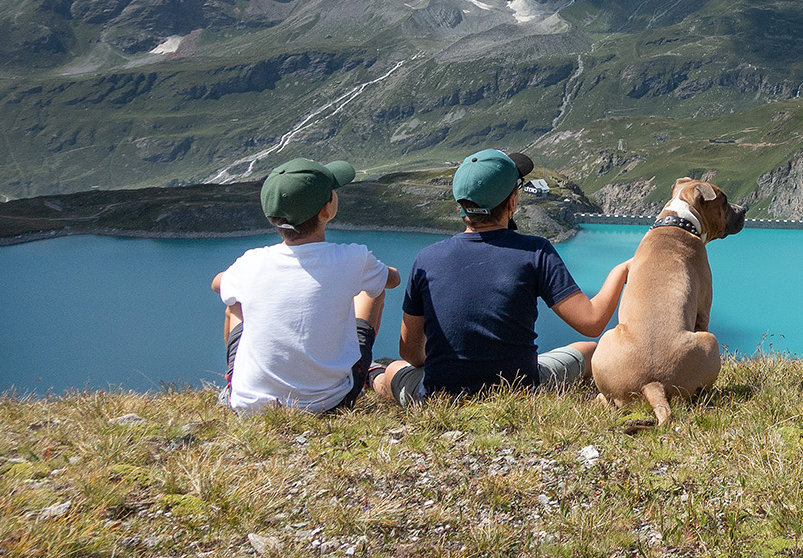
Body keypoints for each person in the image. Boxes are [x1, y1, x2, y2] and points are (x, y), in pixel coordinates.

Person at [372, 149, 628, 404]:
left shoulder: (426, 259)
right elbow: (592, 321)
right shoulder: (536, 252)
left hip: (439, 396)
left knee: (394, 369)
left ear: (462, 205)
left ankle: (371, 377)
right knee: (589, 350)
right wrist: (621, 271)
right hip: (521, 390)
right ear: (512, 203)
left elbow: (410, 352)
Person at [212, 156, 399, 415]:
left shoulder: (251, 262)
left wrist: (237, 277)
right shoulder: (353, 258)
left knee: (235, 303)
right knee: (372, 290)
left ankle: (232, 382)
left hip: (249, 407)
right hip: (331, 402)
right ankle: (356, 370)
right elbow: (393, 280)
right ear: (326, 210)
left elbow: (217, 284)